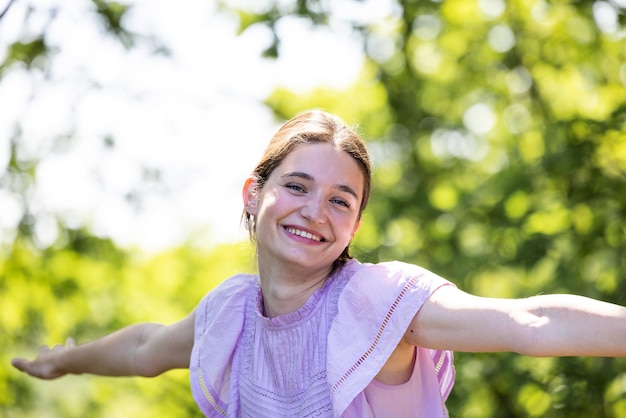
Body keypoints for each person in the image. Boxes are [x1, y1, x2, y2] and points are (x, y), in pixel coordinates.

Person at [11, 109, 626, 417]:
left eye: (340, 200)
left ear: (356, 224)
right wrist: (65, 360)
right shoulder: (230, 314)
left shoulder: (379, 303)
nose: (316, 211)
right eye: (298, 186)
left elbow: (529, 321)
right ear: (254, 193)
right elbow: (144, 350)